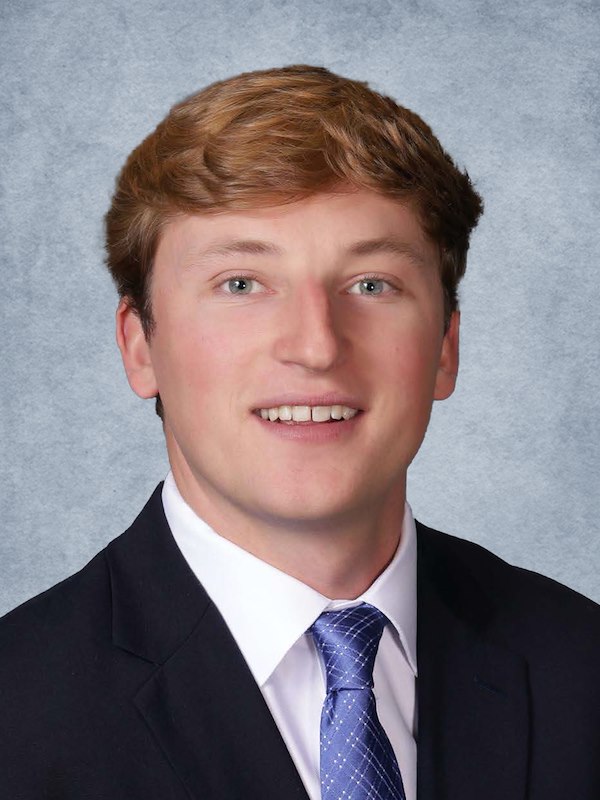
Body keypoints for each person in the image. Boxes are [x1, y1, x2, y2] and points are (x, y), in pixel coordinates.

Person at [0, 65, 598, 800]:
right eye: (241, 284)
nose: (316, 346)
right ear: (140, 346)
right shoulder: (17, 716)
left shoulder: (582, 668)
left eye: (372, 285)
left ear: (445, 345)